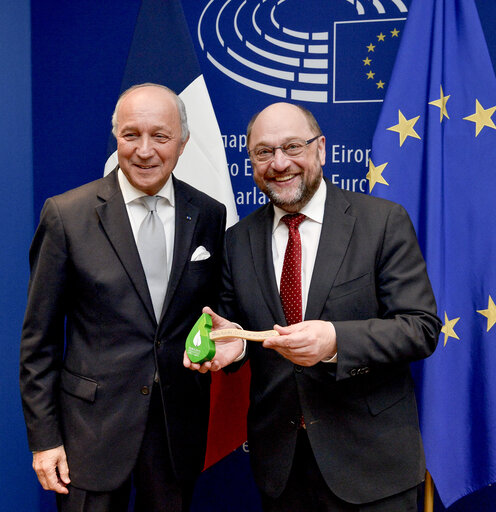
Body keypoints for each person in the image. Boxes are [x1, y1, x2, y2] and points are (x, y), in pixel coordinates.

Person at [185, 102, 441, 511]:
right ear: (251, 160)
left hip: (372, 469)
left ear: (320, 149)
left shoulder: (382, 222)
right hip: (282, 470)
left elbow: (421, 328)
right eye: (263, 152)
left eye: (292, 147)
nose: (279, 163)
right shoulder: (237, 241)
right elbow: (241, 332)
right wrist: (232, 346)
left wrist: (337, 340)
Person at [20, 83, 226, 512]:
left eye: (161, 136)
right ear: (116, 138)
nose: (145, 150)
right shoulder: (67, 215)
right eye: (131, 135)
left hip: (175, 431)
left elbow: (214, 312)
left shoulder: (209, 214)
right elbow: (38, 343)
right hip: (89, 435)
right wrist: (45, 441)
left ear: (183, 143)